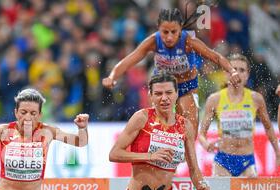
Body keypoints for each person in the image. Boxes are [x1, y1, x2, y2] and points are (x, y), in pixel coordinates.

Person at [102, 8, 241, 138]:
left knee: (190, 134)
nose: (169, 37)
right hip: (163, 87)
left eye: (174, 32)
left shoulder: (189, 41)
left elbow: (215, 56)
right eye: (165, 32)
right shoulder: (153, 41)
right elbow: (129, 60)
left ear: (181, 29)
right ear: (158, 29)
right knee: (159, 128)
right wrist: (112, 76)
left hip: (187, 87)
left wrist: (232, 71)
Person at [198, 54, 280, 177]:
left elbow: (268, 128)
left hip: (247, 161)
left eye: (242, 70)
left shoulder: (256, 98)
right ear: (226, 73)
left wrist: (277, 153)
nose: (237, 73)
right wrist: (206, 144)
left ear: (247, 75)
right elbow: (202, 134)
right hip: (223, 161)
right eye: (233, 69)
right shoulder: (214, 99)